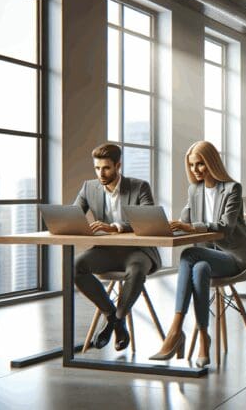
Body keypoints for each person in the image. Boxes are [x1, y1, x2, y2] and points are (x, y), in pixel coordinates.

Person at [150, 141, 246, 367]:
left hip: (234, 256)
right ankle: (204, 338)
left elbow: (226, 227)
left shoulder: (232, 189)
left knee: (189, 254)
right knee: (200, 268)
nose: (195, 169)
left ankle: (175, 330)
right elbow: (185, 220)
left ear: (212, 162)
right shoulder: (194, 190)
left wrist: (191, 227)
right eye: (191, 165)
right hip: (207, 256)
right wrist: (166, 226)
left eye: (200, 164)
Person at [73, 143, 161, 352]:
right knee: (75, 266)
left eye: (106, 168)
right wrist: (66, 222)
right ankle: (113, 318)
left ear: (118, 165)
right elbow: (74, 214)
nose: (101, 173)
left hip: (138, 251)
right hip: (107, 251)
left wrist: (115, 227)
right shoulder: (89, 187)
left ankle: (117, 319)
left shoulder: (140, 187)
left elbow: (147, 220)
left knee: (136, 270)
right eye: (97, 168)